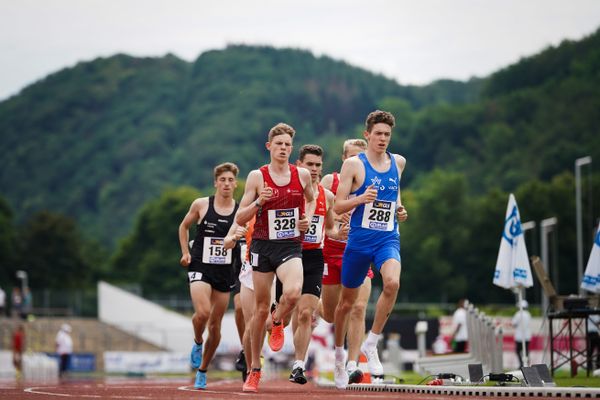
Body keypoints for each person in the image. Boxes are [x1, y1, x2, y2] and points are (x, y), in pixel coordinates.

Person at [235, 122, 315, 393]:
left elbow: (312, 199)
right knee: (258, 311)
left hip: (290, 245)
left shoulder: (302, 175)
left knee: (292, 293)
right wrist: (259, 202)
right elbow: (239, 216)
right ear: (269, 146)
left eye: (287, 145)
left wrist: (305, 220)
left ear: (292, 149)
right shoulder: (257, 177)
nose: (283, 148)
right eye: (278, 144)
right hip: (262, 246)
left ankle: (278, 320)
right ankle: (254, 371)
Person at [331, 110, 408, 389]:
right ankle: (339, 355)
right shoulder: (354, 165)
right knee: (345, 305)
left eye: (387, 134)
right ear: (368, 135)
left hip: (387, 238)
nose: (383, 139)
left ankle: (371, 343)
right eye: (378, 134)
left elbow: (395, 191)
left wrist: (399, 207)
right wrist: (361, 198)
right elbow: (337, 206)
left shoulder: (398, 162)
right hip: (359, 241)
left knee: (392, 283)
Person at [178, 162, 246, 390]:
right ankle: (197, 341)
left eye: (230, 180)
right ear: (216, 182)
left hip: (225, 272)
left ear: (235, 184)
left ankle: (203, 369)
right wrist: (186, 253)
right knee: (203, 313)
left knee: (215, 326)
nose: (226, 184)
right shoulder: (202, 205)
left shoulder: (241, 211)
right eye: (222, 180)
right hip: (200, 266)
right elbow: (183, 227)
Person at [320, 138, 375, 384]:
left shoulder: (372, 182)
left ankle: (352, 364)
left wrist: (399, 211)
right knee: (332, 315)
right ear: (344, 160)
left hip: (360, 250)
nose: (357, 163)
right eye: (352, 158)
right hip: (331, 252)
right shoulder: (329, 182)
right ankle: (313, 306)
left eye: (361, 158)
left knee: (359, 308)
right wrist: (336, 221)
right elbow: (318, 213)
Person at [288, 144, 339, 384]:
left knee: (306, 313)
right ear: (299, 165)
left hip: (313, 257)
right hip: (287, 254)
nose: (315, 169)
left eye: (318, 165)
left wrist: (341, 232)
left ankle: (298, 365)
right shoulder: (290, 191)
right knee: (286, 312)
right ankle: (275, 321)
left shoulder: (327, 196)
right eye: (310, 164)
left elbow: (330, 228)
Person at [512, 299, 532, 369]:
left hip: (519, 336)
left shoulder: (518, 314)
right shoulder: (528, 314)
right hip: (527, 335)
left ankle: (521, 364)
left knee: (518, 351)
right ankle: (526, 363)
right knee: (526, 350)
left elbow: (514, 324)